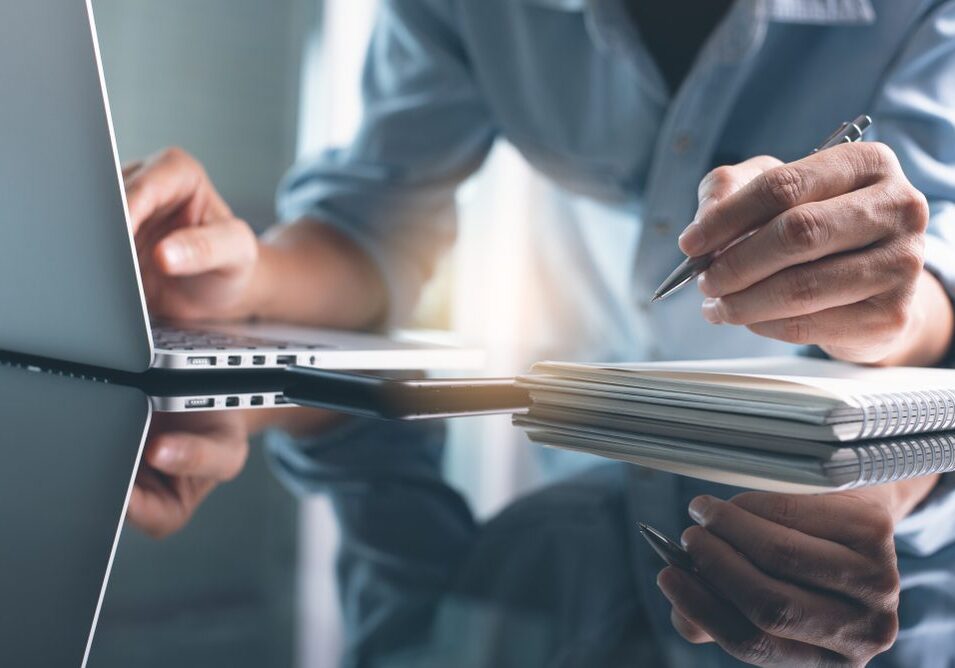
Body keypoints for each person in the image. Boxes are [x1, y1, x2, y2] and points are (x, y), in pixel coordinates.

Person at [126, 1, 955, 665]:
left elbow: (933, 259)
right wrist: (249, 276)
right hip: (587, 433)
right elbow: (375, 219)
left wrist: (897, 306)